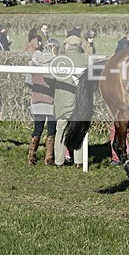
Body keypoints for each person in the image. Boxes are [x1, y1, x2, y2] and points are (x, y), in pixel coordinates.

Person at [54, 35, 87, 168]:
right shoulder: (84, 60)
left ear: (66, 45)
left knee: (61, 130)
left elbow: (47, 76)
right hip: (80, 103)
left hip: (62, 102)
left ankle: (59, 161)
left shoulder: (60, 59)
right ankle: (79, 161)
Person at [26, 38, 59, 165]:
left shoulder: (33, 62)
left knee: (37, 127)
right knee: (51, 129)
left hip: (36, 99)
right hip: (51, 100)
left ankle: (31, 156)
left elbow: (29, 82)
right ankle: (49, 158)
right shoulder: (56, 63)